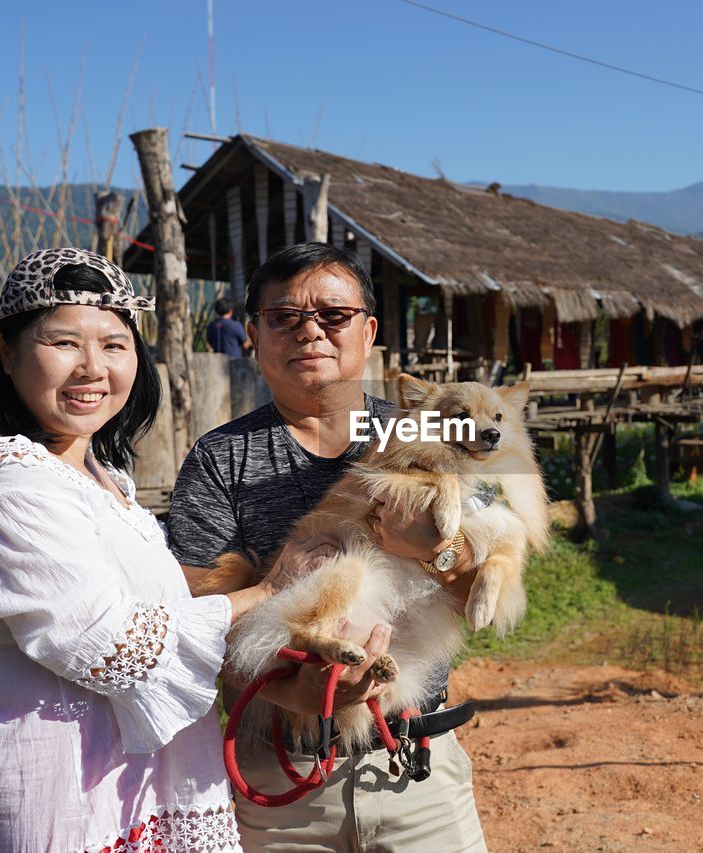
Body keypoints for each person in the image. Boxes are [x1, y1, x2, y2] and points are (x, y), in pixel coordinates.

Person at [0, 247, 321, 852]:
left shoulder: (97, 474)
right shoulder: (6, 485)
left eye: (114, 344)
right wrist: (262, 596)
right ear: (5, 351)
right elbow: (113, 646)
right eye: (63, 343)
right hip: (68, 805)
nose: (92, 368)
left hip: (143, 790)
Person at [168, 243, 487, 851]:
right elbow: (195, 619)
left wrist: (441, 554)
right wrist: (298, 693)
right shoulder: (218, 458)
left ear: (368, 332)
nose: (309, 331)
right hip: (282, 778)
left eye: (333, 316)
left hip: (413, 768)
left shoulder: (429, 430)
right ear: (254, 336)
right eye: (283, 317)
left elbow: (490, 589)